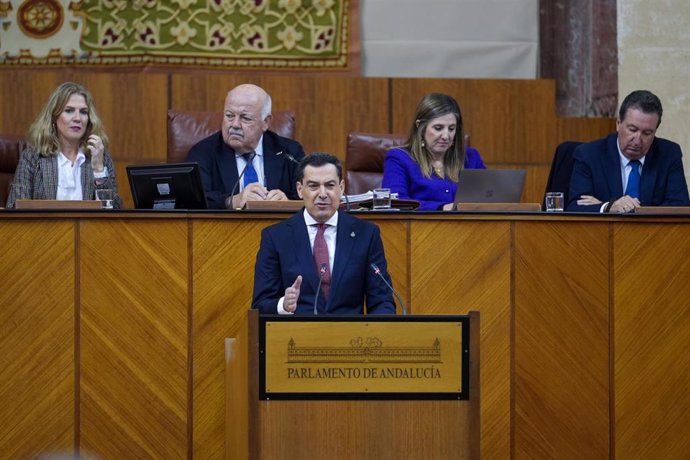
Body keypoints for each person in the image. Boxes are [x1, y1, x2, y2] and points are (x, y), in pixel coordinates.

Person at [252, 153, 397, 315]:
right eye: (313, 186)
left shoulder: (367, 234)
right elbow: (261, 304)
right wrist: (283, 305)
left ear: (341, 188)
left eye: (330, 185)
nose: (322, 194)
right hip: (297, 336)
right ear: (300, 190)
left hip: (351, 337)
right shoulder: (276, 237)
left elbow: (382, 300)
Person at [567, 90, 690, 212]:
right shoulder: (589, 155)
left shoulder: (669, 154)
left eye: (647, 133)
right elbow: (575, 207)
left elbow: (680, 206)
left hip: (653, 232)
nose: (637, 141)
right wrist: (608, 207)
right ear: (618, 123)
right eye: (632, 129)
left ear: (655, 132)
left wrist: (632, 210)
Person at [186, 83, 305, 209]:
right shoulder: (203, 153)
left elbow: (308, 195)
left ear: (266, 122)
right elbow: (193, 200)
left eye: (245, 118)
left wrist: (287, 203)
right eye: (229, 115)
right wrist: (231, 201)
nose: (235, 124)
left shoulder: (290, 152)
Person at [6, 82, 121, 209]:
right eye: (69, 111)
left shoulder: (100, 158)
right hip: (44, 228)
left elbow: (115, 214)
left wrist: (99, 170)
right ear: (54, 118)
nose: (77, 118)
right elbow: (14, 208)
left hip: (88, 229)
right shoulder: (33, 157)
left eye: (83, 112)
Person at [381, 93, 486, 210]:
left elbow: (489, 198)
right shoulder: (399, 158)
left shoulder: (471, 157)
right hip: (419, 227)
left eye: (451, 129)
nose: (446, 136)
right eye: (438, 128)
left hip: (469, 226)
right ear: (420, 127)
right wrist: (442, 207)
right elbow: (397, 202)